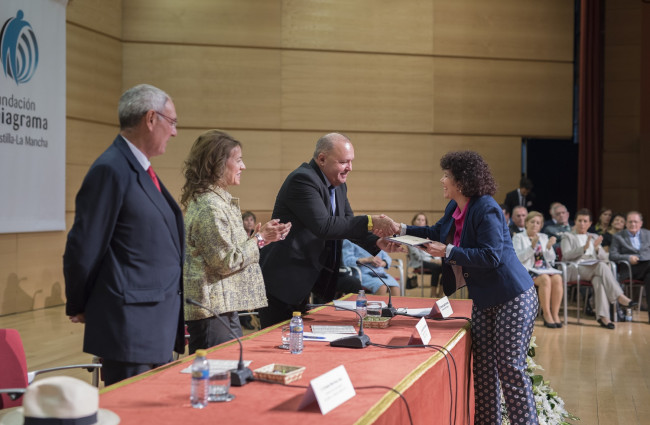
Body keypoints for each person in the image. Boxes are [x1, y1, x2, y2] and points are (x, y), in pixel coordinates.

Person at [373, 151, 539, 425]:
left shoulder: (487, 209)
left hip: (513, 296)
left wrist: (449, 251)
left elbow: (491, 256)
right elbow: (436, 234)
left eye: (446, 176)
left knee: (510, 369)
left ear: (461, 182)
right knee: (484, 371)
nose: (442, 180)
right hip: (485, 299)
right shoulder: (455, 207)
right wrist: (398, 228)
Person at [63, 84, 185, 385]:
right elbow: (84, 246)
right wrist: (80, 303)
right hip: (129, 326)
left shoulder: (139, 170)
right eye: (172, 122)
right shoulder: (111, 169)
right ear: (151, 119)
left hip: (153, 322)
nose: (174, 132)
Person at [258, 133, 394, 328]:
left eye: (351, 161)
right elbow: (324, 226)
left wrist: (376, 241)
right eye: (343, 162)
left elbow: (346, 223)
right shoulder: (302, 179)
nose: (350, 168)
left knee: (297, 340)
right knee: (276, 341)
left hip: (306, 278)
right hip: (283, 279)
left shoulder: (338, 185)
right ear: (322, 159)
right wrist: (371, 221)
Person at [181, 130, 291, 353]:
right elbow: (225, 262)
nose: (244, 167)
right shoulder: (210, 207)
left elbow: (226, 254)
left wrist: (262, 239)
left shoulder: (216, 201)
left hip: (221, 307)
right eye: (238, 160)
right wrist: (259, 239)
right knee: (216, 379)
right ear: (217, 164)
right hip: (212, 310)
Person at [560, 208, 637, 329]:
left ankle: (603, 317)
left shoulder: (594, 236)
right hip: (574, 268)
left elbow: (604, 257)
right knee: (600, 266)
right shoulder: (567, 236)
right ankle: (619, 296)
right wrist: (583, 248)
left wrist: (596, 248)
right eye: (580, 220)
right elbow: (566, 255)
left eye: (585, 221)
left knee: (599, 280)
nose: (582, 223)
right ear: (575, 221)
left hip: (593, 269)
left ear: (590, 223)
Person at [512, 211, 564, 328]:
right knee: (545, 279)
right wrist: (532, 247)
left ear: (541, 225)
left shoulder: (544, 237)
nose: (535, 225)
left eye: (538, 223)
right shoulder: (518, 237)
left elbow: (550, 259)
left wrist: (549, 247)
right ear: (526, 223)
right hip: (527, 270)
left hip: (544, 269)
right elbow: (518, 259)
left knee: (557, 278)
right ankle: (546, 314)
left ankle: (555, 314)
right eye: (532, 222)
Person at [609, 211, 650, 323]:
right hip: (629, 269)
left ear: (641, 223)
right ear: (626, 224)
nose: (633, 224)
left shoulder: (648, 234)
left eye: (635, 222)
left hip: (646, 268)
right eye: (630, 222)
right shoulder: (618, 236)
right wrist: (628, 257)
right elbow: (612, 255)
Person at [406, 213, 442, 296]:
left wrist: (438, 260)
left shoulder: (429, 235)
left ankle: (440, 294)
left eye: (423, 220)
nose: (420, 222)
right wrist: (433, 261)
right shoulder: (409, 236)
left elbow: (435, 250)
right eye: (418, 219)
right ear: (413, 222)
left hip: (432, 260)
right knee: (436, 267)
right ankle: (432, 294)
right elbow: (417, 256)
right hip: (419, 262)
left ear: (425, 223)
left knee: (446, 267)